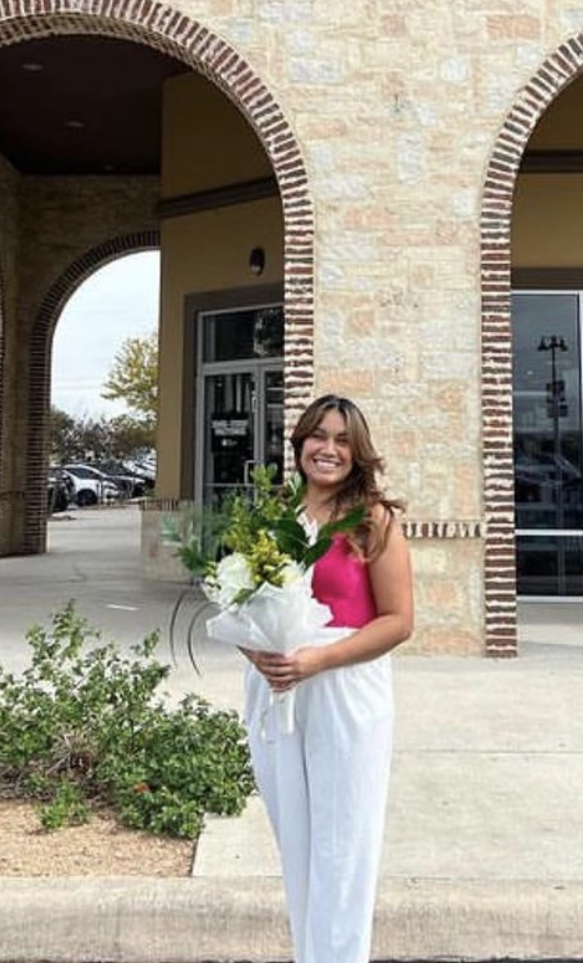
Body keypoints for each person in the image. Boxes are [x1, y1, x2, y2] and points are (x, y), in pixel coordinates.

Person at [240, 394, 414, 963]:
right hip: (277, 692)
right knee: (297, 842)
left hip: (346, 690)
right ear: (300, 446)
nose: (329, 449)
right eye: (319, 436)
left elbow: (398, 622)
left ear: (357, 452)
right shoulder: (271, 519)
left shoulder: (374, 521)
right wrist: (255, 648)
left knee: (343, 848)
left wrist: (319, 660)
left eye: (343, 440)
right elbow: (241, 602)